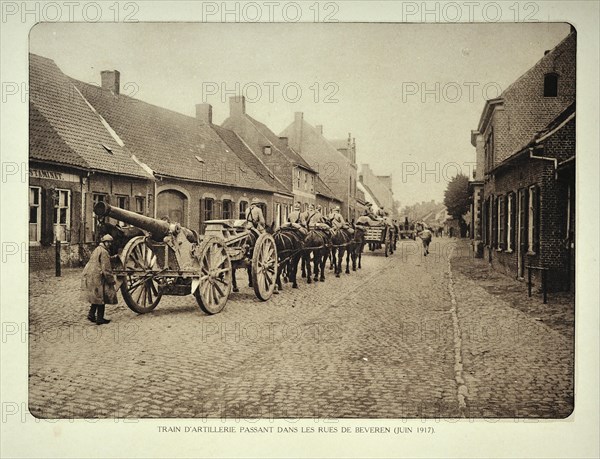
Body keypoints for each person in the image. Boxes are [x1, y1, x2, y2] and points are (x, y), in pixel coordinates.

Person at [81, 234, 117, 325]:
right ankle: (100, 319)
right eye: (107, 242)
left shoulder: (97, 249)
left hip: (90, 275)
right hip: (98, 277)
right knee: (102, 297)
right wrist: (111, 280)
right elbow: (106, 269)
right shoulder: (104, 252)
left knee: (96, 296)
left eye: (110, 242)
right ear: (104, 242)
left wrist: (112, 258)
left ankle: (91, 315)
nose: (109, 244)